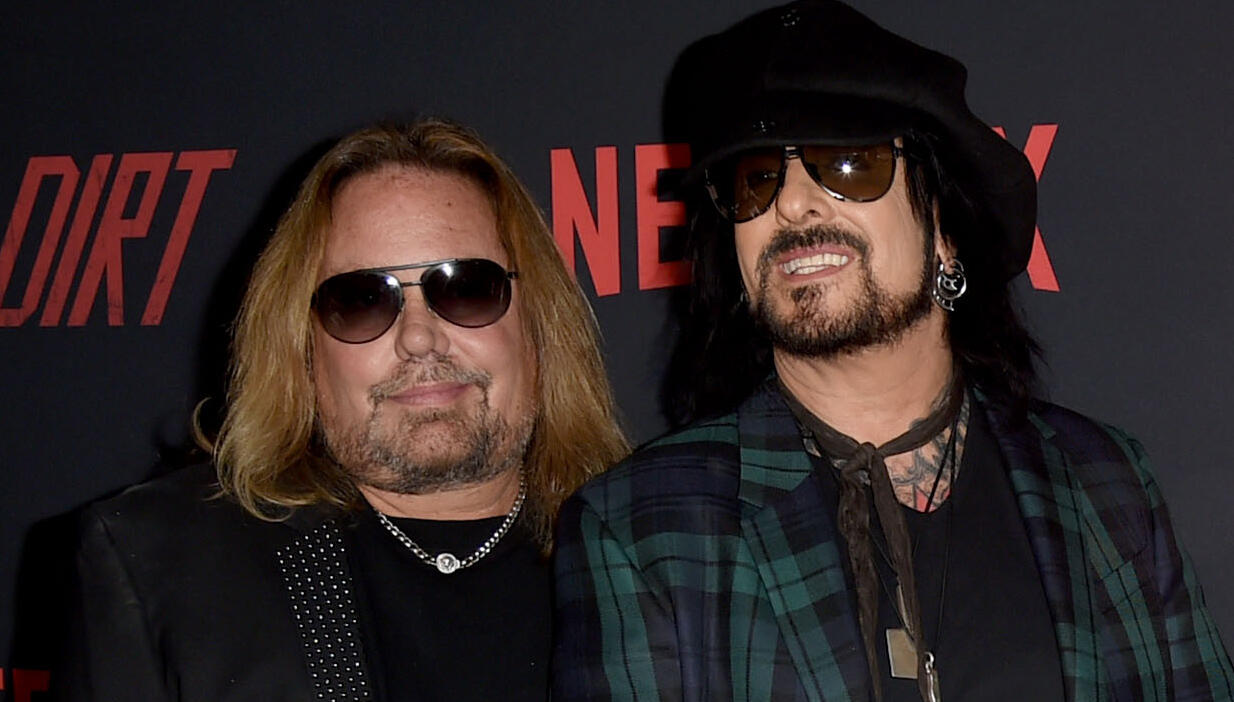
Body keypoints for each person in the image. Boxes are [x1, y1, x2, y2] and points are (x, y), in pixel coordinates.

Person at [552, 2, 1233, 700]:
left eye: (850, 164)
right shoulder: (643, 528)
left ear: (944, 227)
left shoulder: (1103, 483)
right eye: (757, 179)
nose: (793, 204)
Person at [53, 119, 628, 701]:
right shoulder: (160, 566)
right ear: (301, 346)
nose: (419, 338)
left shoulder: (650, 550)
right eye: (362, 300)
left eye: (466, 287)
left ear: (539, 323)